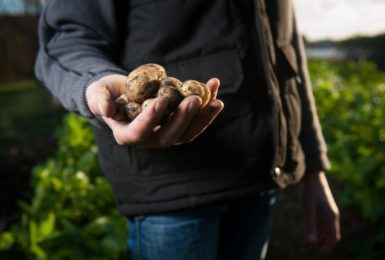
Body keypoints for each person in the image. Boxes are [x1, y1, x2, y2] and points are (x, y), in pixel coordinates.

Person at [35, 0, 340, 259]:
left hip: (260, 178)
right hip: (173, 189)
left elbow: (286, 48)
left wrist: (314, 165)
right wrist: (96, 85)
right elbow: (66, 39)